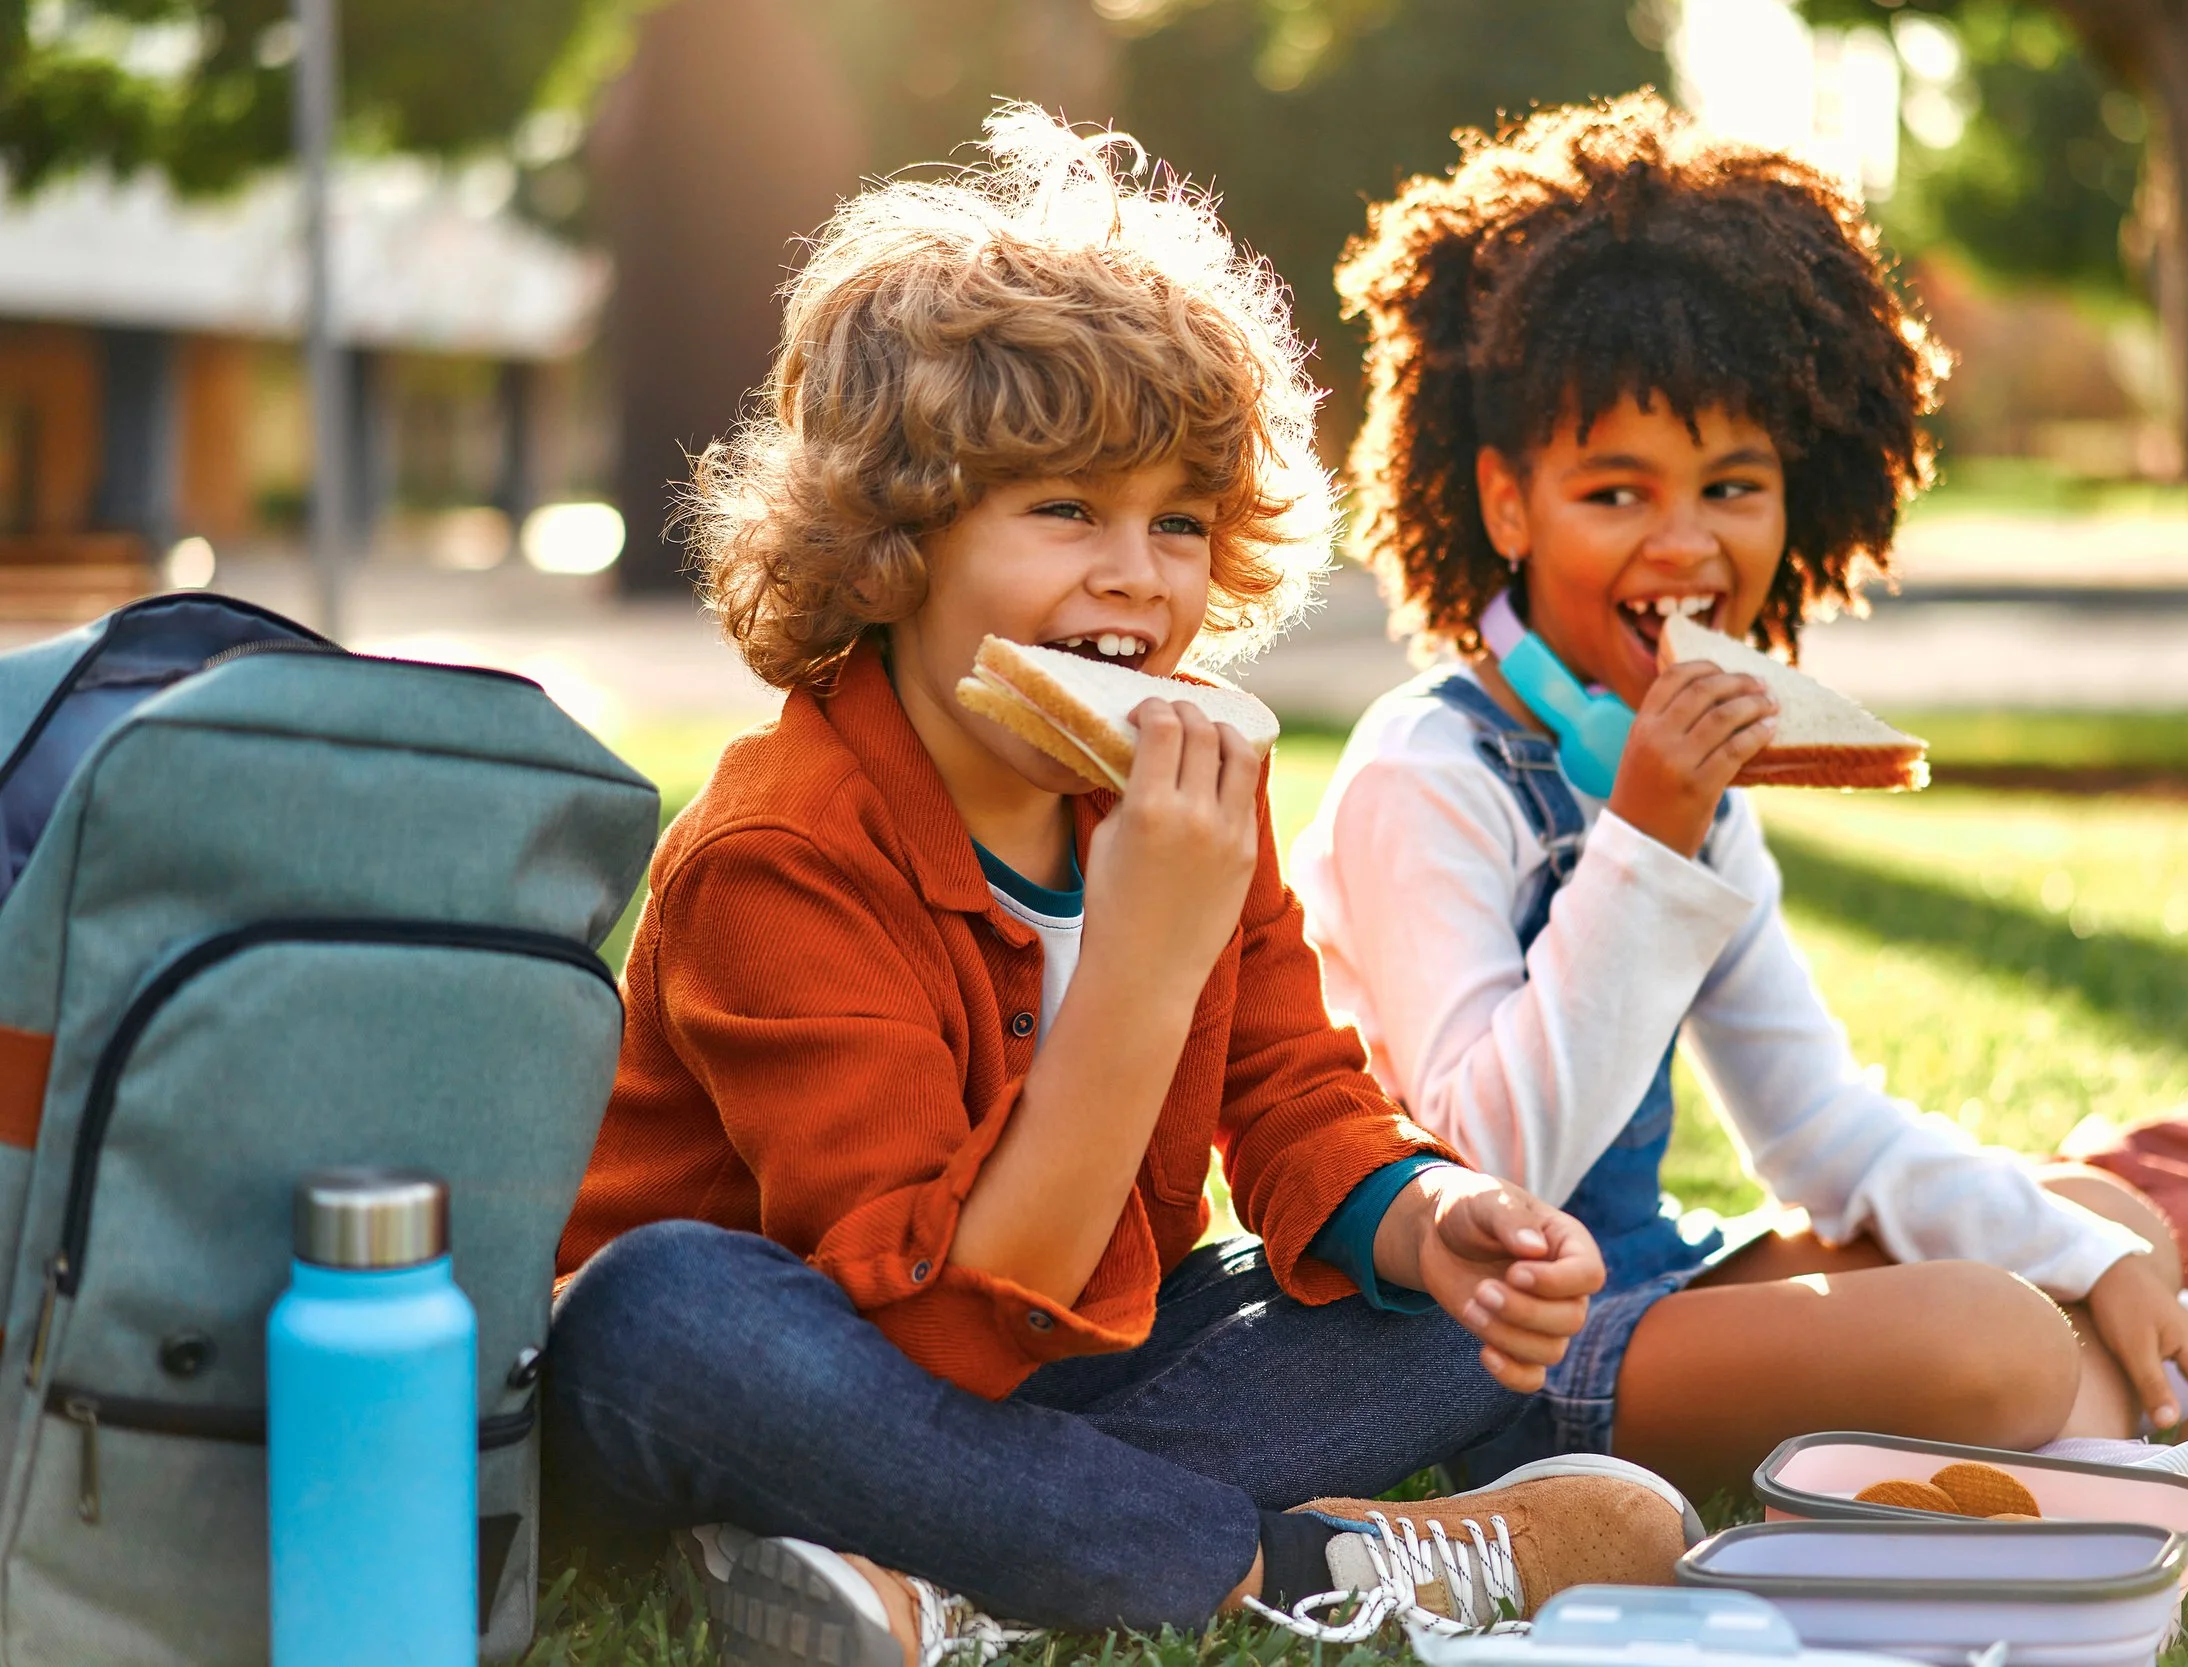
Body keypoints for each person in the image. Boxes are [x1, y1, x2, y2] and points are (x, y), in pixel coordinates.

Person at [542, 106, 1693, 1667]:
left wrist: (1432, 1216)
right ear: (895, 539)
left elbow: (1292, 1094)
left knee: (1447, 1329)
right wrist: (1144, 959)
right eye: (1066, 508)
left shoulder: (1190, 777)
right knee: (659, 1311)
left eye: (1180, 523)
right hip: (797, 1376)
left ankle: (944, 1579)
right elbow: (935, 1330)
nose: (1137, 573)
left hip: (1050, 1371)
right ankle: (1291, 1566)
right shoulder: (782, 852)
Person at [1290, 91, 2188, 1501]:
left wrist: (2096, 1254)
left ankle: (2099, 1402)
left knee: (2106, 1218)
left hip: (1651, 1282)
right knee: (1998, 1338)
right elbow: (1489, 1167)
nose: (1686, 544)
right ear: (1506, 503)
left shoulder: (1688, 775)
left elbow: (1820, 1131)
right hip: (1475, 1353)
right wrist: (1650, 834)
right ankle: (2105, 1413)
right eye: (1615, 493)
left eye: (1733, 486)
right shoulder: (1423, 771)